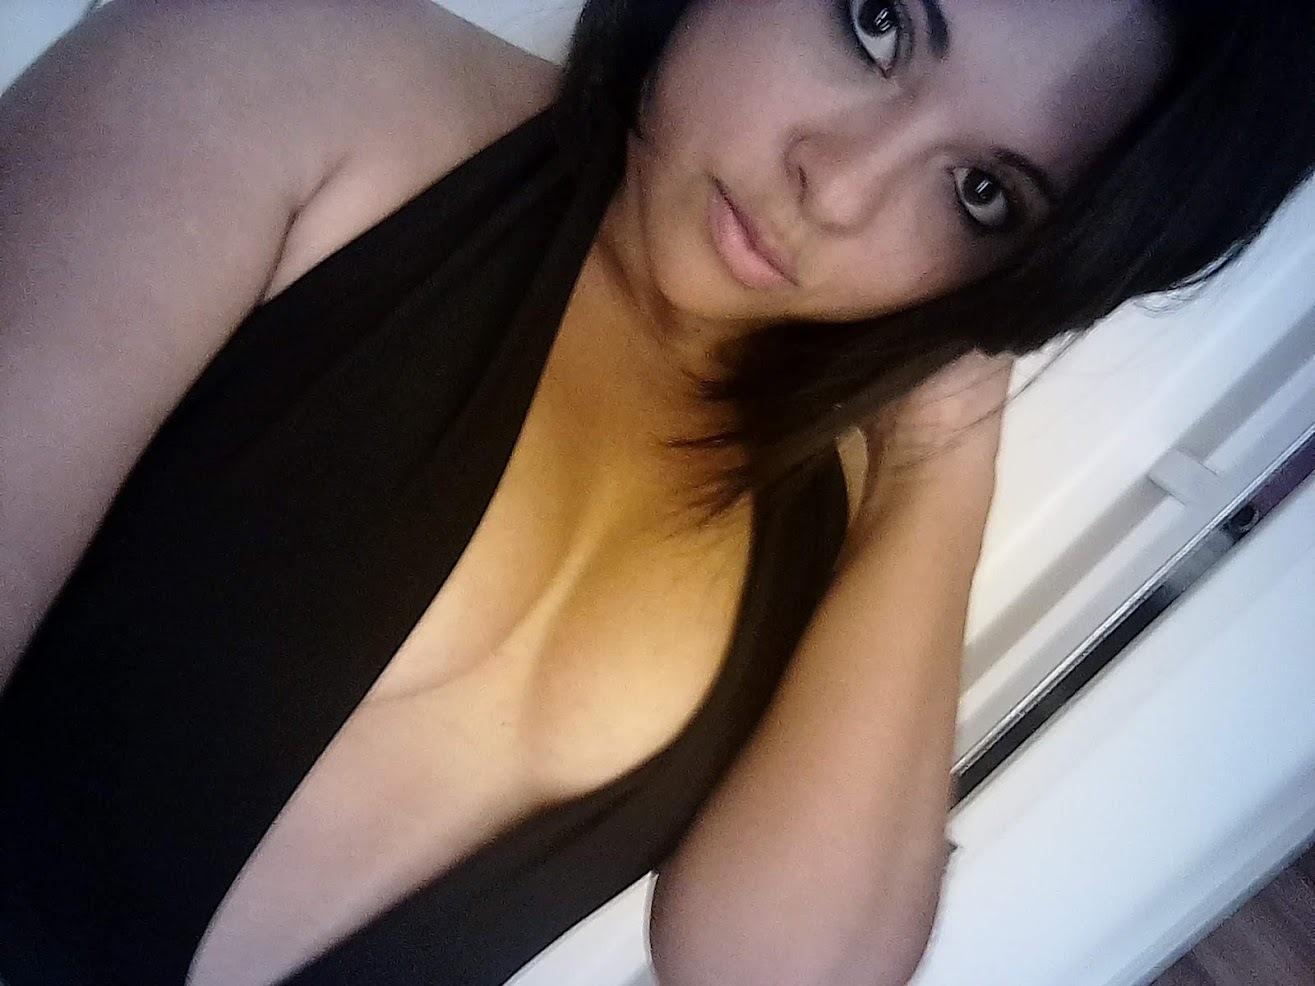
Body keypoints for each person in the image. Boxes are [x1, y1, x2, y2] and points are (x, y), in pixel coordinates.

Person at [0, 1, 1311, 984]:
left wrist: (948, 435)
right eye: (877, 22)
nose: (840, 189)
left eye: (984, 194)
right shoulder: (296, 79)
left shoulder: (837, 530)